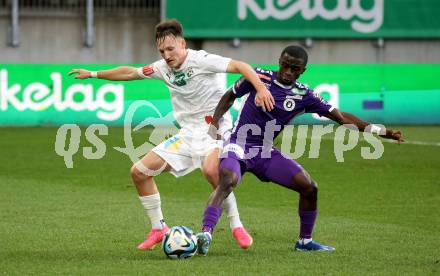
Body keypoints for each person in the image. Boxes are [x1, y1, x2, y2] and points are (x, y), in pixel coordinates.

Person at [68, 19, 275, 250]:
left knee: (212, 171)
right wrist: (93, 73)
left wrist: (261, 88)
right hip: (187, 135)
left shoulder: (203, 60)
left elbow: (241, 66)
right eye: (161, 51)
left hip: (215, 130)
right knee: (139, 172)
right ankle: (159, 228)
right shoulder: (161, 68)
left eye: (170, 49)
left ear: (182, 44)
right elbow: (129, 73)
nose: (166, 55)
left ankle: (236, 225)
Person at [196, 45, 404, 254]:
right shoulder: (259, 78)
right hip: (238, 143)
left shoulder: (304, 94)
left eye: (294, 69)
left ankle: (305, 242)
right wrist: (214, 124)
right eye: (285, 65)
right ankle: (206, 233)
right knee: (228, 179)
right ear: (279, 61)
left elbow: (341, 118)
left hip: (265, 152)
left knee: (309, 187)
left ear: (302, 70)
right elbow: (229, 96)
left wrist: (380, 131)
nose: (288, 71)